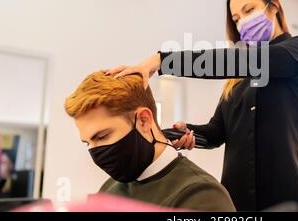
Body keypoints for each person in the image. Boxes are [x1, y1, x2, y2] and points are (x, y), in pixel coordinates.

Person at [106, 0, 298, 211]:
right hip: (236, 198)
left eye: (248, 10)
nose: (242, 23)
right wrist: (186, 133)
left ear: (274, 7)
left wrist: (161, 61)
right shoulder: (237, 81)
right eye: (236, 19)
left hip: (287, 192)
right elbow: (217, 132)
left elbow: (249, 62)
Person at [64, 71, 235, 212]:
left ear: (144, 121)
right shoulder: (108, 190)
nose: (96, 153)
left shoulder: (201, 195)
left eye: (102, 137)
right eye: (88, 143)